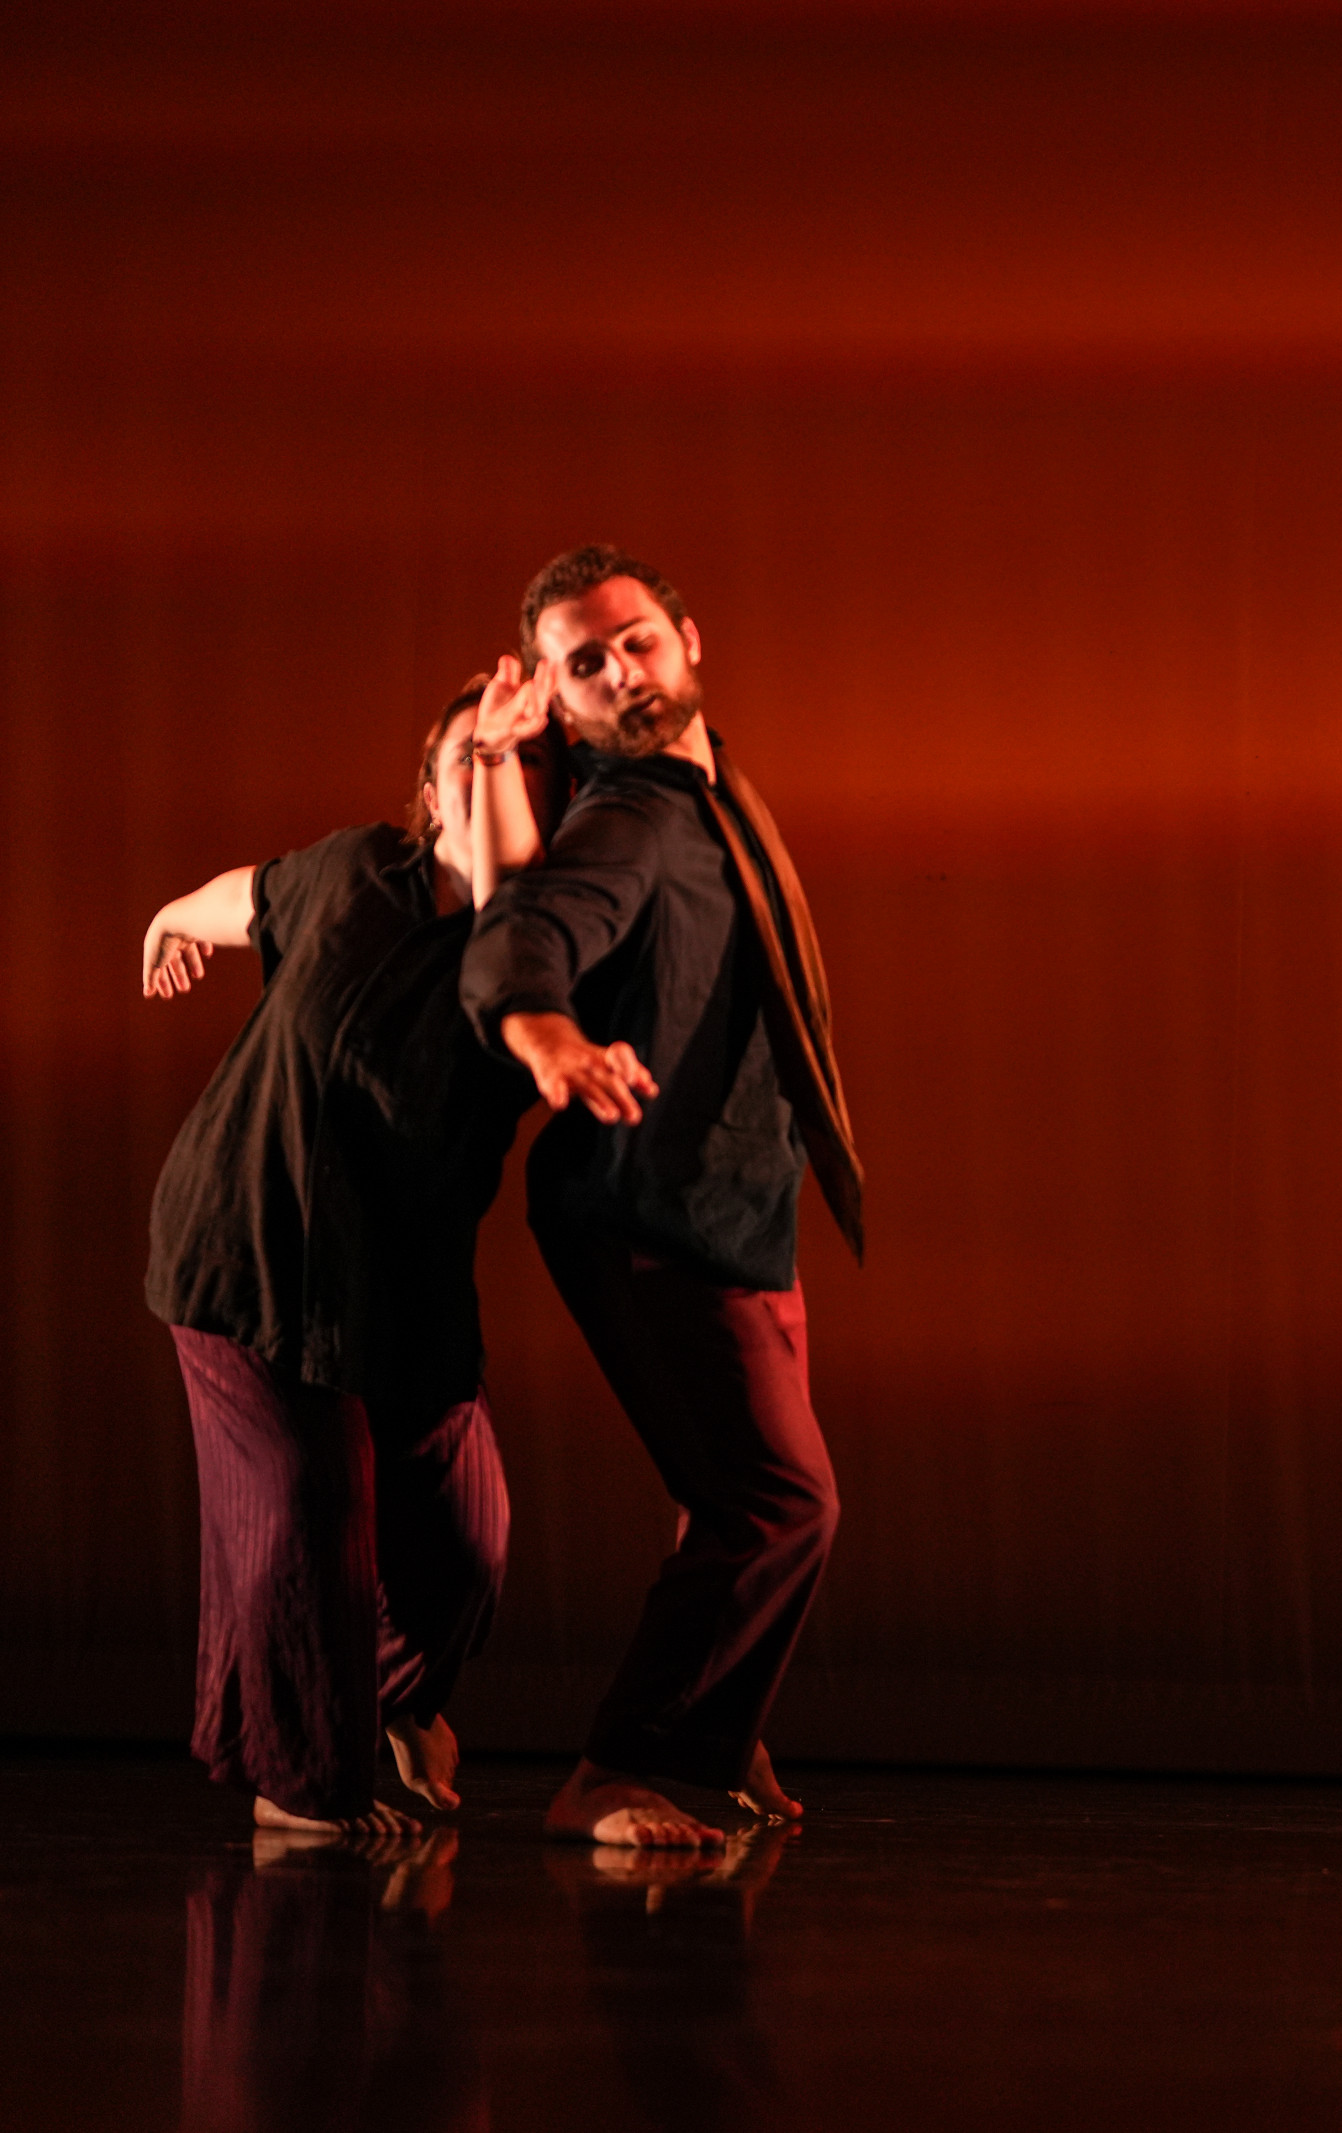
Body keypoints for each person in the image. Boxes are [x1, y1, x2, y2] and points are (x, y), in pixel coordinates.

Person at [462, 544, 863, 1849]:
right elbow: (528, 931)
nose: (622, 672)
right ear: (559, 696)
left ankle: (717, 1727)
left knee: (729, 1500)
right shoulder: (629, 818)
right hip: (649, 1216)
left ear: (689, 640)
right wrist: (543, 1034)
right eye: (587, 662)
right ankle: (616, 1771)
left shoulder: (709, 786)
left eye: (634, 641)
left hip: (741, 1202)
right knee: (779, 1501)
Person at [141, 673, 567, 1836]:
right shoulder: (352, 870)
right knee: (302, 1513)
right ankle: (301, 1784)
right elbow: (254, 896)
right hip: (249, 1246)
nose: (490, 787)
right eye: (469, 765)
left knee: (466, 1538)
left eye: (520, 767)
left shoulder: (538, 953)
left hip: (399, 1285)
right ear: (429, 792)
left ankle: (379, 1711)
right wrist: (174, 915)